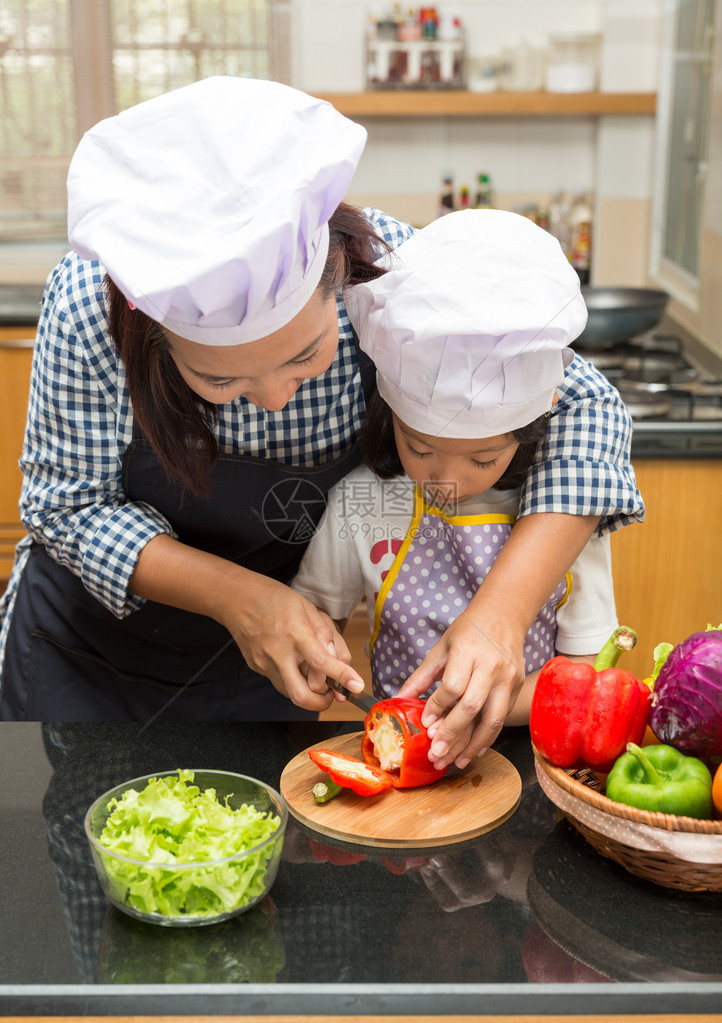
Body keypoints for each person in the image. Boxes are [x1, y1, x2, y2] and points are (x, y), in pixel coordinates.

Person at [0, 77, 643, 738]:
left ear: (341, 272)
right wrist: (238, 597)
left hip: (278, 664)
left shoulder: (397, 271)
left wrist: (501, 613)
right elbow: (66, 508)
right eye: (220, 383)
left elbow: (587, 406)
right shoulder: (89, 306)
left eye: (306, 356)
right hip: (90, 664)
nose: (277, 398)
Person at [292, 208, 622, 760]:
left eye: (483, 458)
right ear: (387, 417)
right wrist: (317, 659)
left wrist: (448, 717)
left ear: (525, 437)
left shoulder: (563, 517)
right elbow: (317, 616)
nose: (444, 479)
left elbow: (588, 676)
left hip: (540, 760)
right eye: (419, 447)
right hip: (398, 752)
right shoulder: (361, 501)